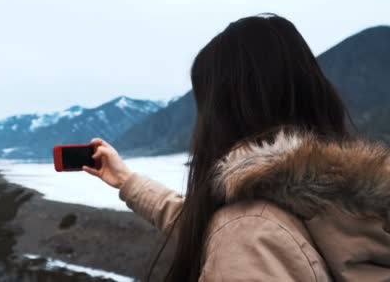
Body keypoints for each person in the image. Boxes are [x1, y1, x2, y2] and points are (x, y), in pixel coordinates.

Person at [83, 14, 390, 281]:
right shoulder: (346, 208)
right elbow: (203, 228)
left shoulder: (249, 231)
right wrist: (127, 181)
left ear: (222, 113)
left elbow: (248, 235)